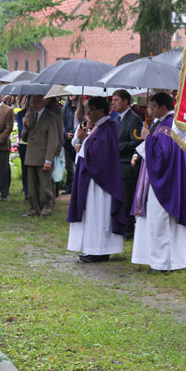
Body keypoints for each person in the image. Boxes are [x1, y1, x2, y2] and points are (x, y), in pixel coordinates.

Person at [131, 92, 186, 272]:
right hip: (164, 179)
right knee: (158, 222)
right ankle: (165, 260)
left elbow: (162, 155)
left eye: (153, 106)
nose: (150, 110)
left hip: (163, 182)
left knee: (160, 221)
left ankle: (162, 263)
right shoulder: (166, 125)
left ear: (163, 107)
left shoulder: (167, 126)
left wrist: (148, 138)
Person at [66, 96, 125, 263]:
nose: (87, 114)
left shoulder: (107, 129)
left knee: (99, 215)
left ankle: (100, 250)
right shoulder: (100, 128)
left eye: (90, 110)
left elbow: (99, 155)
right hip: (94, 180)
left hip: (101, 183)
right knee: (94, 215)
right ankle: (94, 248)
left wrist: (84, 140)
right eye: (86, 111)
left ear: (100, 111)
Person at [21, 95, 61, 217]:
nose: (33, 104)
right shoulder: (31, 116)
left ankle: (47, 208)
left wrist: (49, 159)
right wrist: (25, 127)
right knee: (32, 186)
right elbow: (24, 138)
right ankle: (34, 208)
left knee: (45, 186)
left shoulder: (51, 117)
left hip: (43, 155)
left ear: (44, 102)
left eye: (37, 101)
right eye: (32, 101)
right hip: (31, 155)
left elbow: (53, 139)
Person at [111, 89, 143, 239]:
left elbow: (135, 142)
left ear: (125, 101)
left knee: (127, 199)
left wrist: (116, 147)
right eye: (112, 100)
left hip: (127, 164)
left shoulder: (134, 119)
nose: (113, 103)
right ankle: (119, 226)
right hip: (117, 164)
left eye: (116, 100)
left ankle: (128, 230)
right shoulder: (117, 119)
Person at [62, 95, 79, 194]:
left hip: (77, 139)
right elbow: (62, 123)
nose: (71, 95)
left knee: (77, 164)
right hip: (66, 141)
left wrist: (73, 133)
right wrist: (66, 134)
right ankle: (69, 187)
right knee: (68, 166)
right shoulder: (65, 107)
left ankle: (77, 187)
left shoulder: (79, 107)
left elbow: (80, 122)